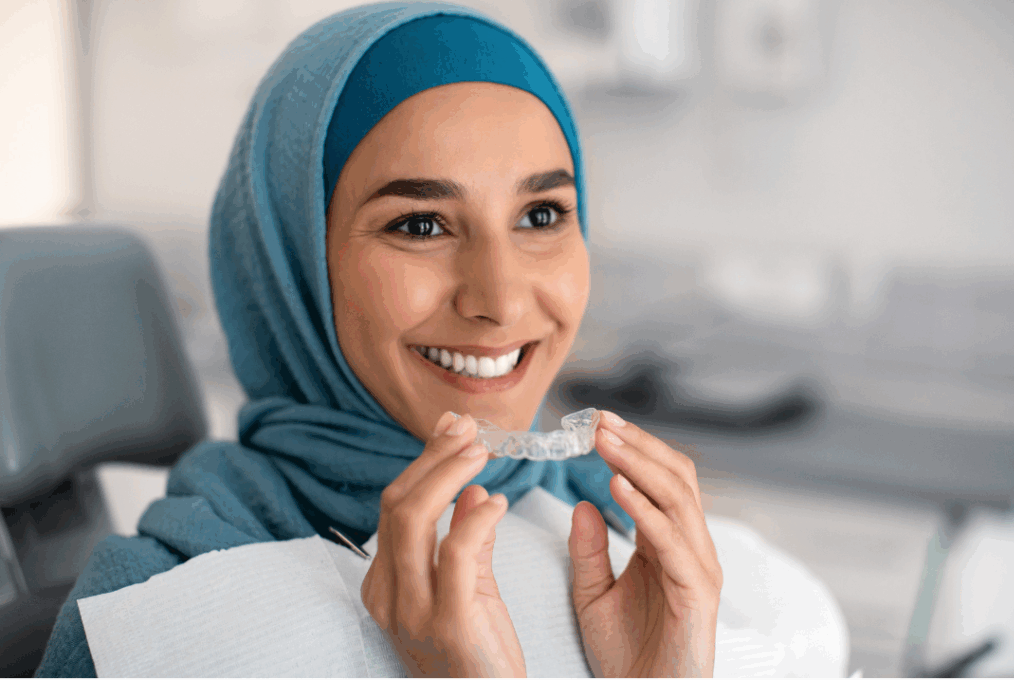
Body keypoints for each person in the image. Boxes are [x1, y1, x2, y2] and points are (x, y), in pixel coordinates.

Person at [36, 2, 722, 676]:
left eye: (540, 214)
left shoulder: (640, 542)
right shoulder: (151, 623)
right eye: (421, 225)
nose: (502, 299)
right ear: (293, 264)